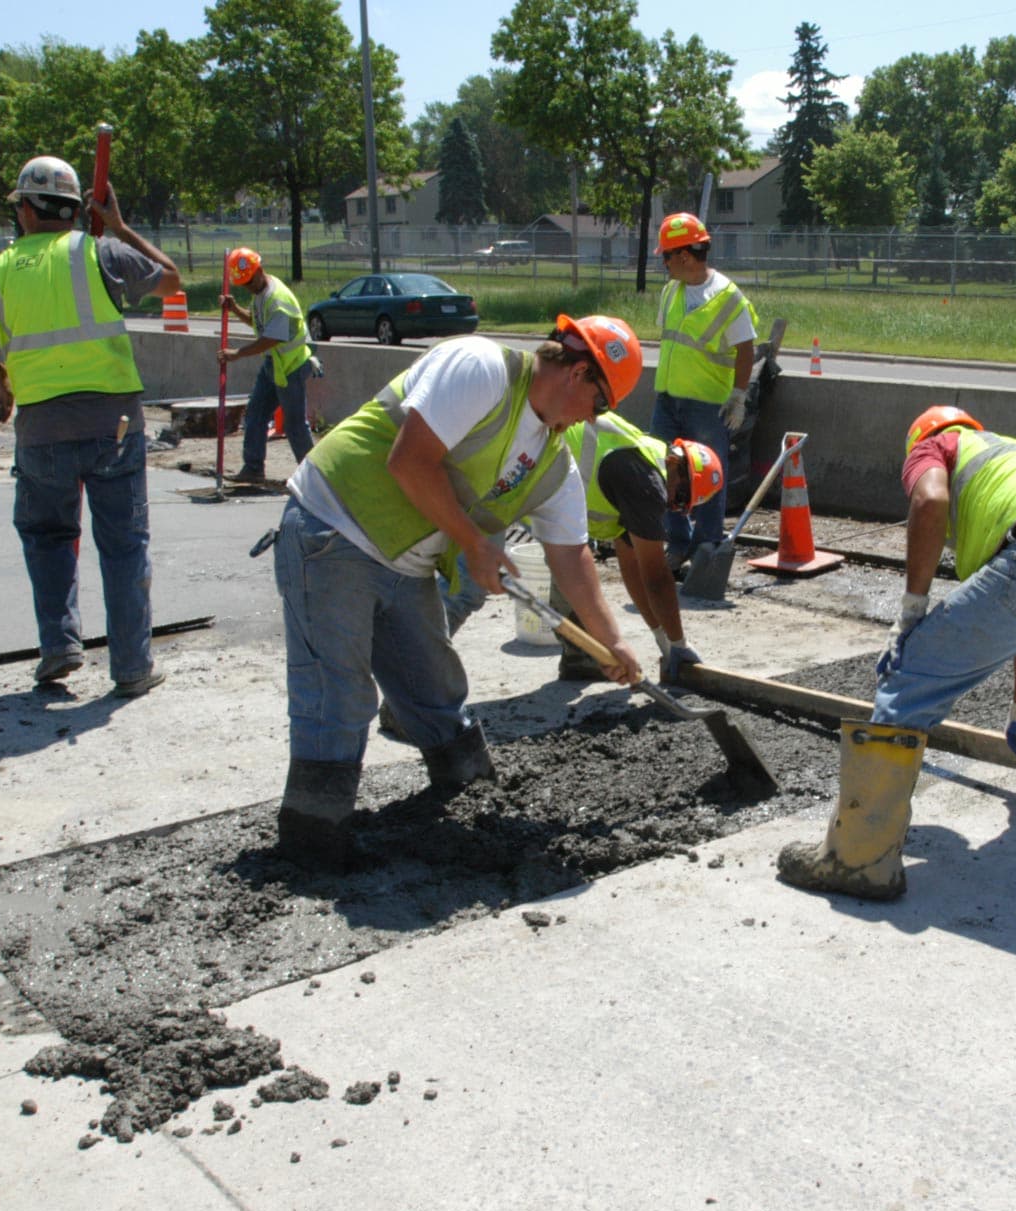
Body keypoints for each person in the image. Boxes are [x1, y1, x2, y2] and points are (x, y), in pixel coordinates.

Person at [272, 313, 648, 869]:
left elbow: (571, 557)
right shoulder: (481, 369)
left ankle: (471, 798)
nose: (593, 419)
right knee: (338, 695)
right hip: (336, 529)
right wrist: (474, 544)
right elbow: (409, 458)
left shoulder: (553, 463)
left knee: (435, 688)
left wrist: (612, 641)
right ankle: (313, 842)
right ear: (578, 373)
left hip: (405, 565)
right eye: (601, 405)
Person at [778, 406, 1016, 901]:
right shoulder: (1013, 454)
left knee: (911, 676)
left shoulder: (935, 448)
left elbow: (930, 501)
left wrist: (912, 611)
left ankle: (858, 859)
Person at [0, 154, 182, 697]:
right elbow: (171, 281)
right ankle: (132, 668)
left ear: (25, 210)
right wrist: (120, 227)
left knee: (49, 537)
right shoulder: (100, 252)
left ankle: (59, 647)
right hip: (114, 423)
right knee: (124, 544)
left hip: (41, 429)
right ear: (76, 210)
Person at [428, 416, 720, 686]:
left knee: (572, 572)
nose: (672, 504)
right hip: (509, 472)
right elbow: (656, 578)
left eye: (681, 505)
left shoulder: (642, 467)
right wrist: (679, 644)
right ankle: (416, 683)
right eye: (680, 494)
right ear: (674, 462)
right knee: (467, 586)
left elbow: (635, 572)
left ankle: (580, 659)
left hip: (541, 493)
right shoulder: (646, 482)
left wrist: (663, 641)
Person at [650, 212, 757, 568]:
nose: (663, 263)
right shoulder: (670, 292)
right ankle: (677, 543)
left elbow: (746, 348)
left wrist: (738, 396)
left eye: (666, 256)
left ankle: (707, 544)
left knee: (708, 475)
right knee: (666, 471)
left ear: (683, 256)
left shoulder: (728, 297)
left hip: (706, 404)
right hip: (668, 400)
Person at [218, 247, 317, 482]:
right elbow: (257, 322)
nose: (248, 287)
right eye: (244, 284)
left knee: (294, 425)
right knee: (256, 413)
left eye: (250, 281)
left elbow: (270, 338)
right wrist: (234, 309)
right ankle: (253, 468)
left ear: (259, 271)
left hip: (291, 366)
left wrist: (237, 354)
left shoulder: (278, 299)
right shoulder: (260, 294)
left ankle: (314, 477)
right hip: (275, 364)